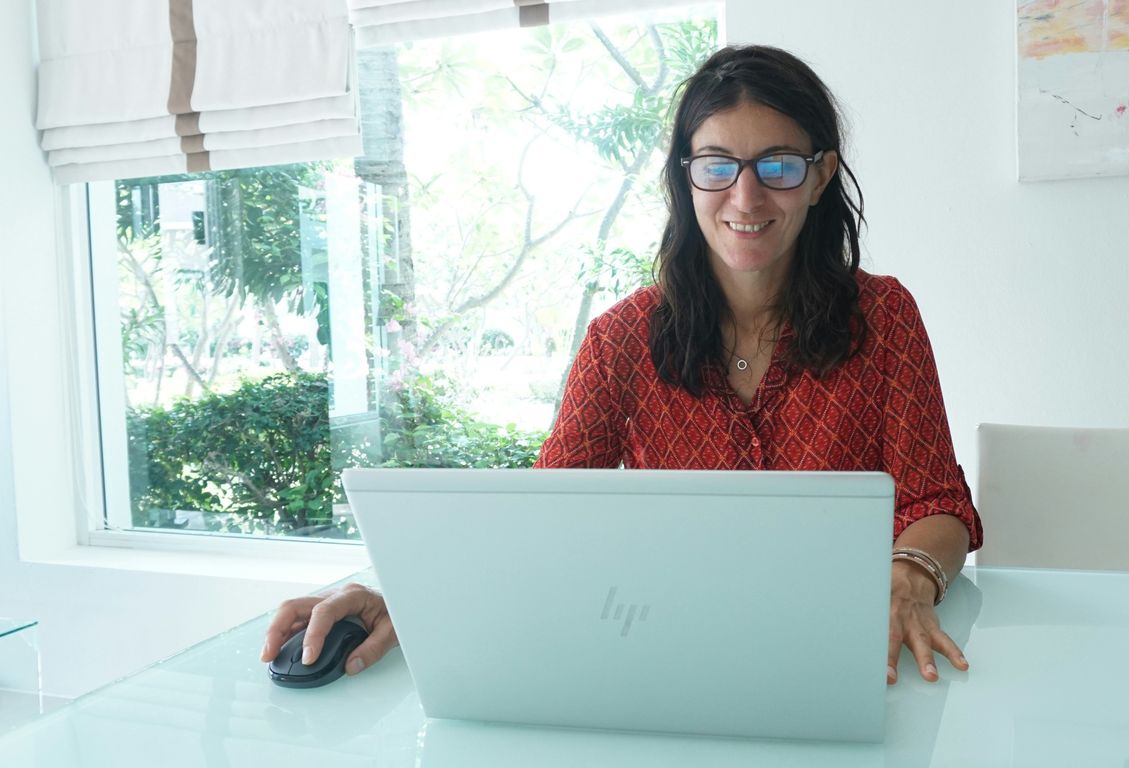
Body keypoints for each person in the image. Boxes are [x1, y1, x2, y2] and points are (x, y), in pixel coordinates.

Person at [262, 44, 983, 687]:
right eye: (717, 167)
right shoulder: (621, 340)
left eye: (779, 166)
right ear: (685, 177)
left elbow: (937, 504)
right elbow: (548, 516)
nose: (746, 195)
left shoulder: (883, 319)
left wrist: (910, 575)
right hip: (666, 659)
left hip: (845, 659)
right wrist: (394, 592)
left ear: (821, 176)